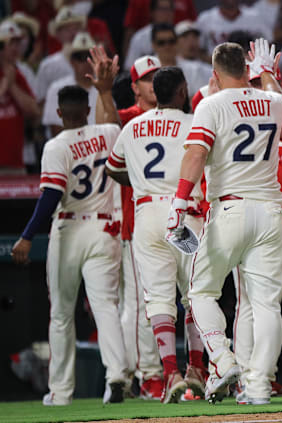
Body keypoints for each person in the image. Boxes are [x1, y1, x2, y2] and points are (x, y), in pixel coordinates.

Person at [167, 40, 282, 405]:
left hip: (230, 209)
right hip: (270, 212)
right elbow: (280, 112)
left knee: (201, 292)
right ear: (247, 68)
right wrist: (267, 73)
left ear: (215, 72)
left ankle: (221, 358)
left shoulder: (212, 103)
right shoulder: (275, 100)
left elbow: (196, 154)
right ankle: (259, 387)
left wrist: (179, 201)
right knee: (267, 304)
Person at [11, 85, 128, 405]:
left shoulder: (55, 145)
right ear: (87, 110)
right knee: (106, 306)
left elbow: (51, 195)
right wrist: (105, 91)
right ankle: (116, 373)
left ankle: (61, 393)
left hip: (70, 229)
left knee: (62, 314)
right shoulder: (108, 132)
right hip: (104, 228)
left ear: (59, 113)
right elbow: (114, 124)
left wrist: (26, 236)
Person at [105, 66, 208, 404]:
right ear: (181, 92)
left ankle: (170, 374)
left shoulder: (133, 125)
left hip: (147, 213)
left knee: (158, 299)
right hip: (185, 213)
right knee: (194, 293)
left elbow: (113, 168)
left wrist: (139, 182)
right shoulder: (193, 122)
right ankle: (196, 369)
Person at [94, 53, 168, 400]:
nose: (154, 83)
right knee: (141, 305)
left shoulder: (177, 116)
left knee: (182, 299)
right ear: (135, 86)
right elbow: (105, 132)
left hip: (177, 220)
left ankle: (178, 370)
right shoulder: (126, 118)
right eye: (147, 78)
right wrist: (105, 91)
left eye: (158, 76)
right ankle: (149, 375)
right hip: (136, 222)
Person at [0, 20, 39, 174]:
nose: (16, 48)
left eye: (18, 43)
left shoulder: (18, 74)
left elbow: (34, 111)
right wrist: (5, 85)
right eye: (11, 44)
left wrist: (12, 85)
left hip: (14, 163)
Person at [43, 32, 98, 136]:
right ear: (72, 61)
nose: (86, 62)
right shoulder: (56, 88)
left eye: (90, 57)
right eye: (80, 58)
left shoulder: (104, 88)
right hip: (67, 149)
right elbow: (55, 130)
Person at [149, 23, 211, 97]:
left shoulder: (193, 69)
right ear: (153, 45)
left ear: (177, 42)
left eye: (171, 41)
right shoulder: (147, 70)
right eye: (161, 43)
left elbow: (199, 99)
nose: (167, 46)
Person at [195, 0, 279, 54]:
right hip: (216, 69)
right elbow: (199, 50)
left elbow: (270, 42)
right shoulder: (205, 19)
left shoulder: (255, 16)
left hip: (251, 68)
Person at [124, 0, 175, 69]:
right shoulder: (139, 38)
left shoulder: (179, 33)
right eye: (162, 9)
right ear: (152, 12)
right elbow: (129, 67)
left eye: (169, 9)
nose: (166, 13)